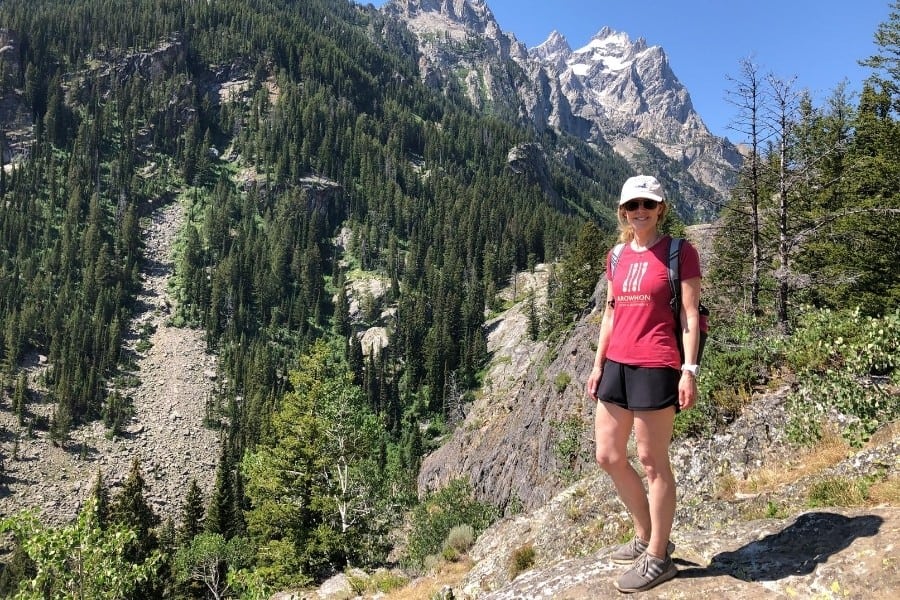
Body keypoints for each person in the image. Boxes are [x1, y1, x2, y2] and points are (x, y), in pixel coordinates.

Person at [585, 175, 702, 594]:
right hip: (617, 363)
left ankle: (657, 557)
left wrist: (689, 369)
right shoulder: (616, 256)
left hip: (657, 364)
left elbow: (689, 315)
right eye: (632, 206)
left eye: (647, 205)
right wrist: (598, 365)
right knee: (609, 455)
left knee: (654, 463)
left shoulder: (678, 252)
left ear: (660, 210)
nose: (640, 212)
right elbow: (611, 314)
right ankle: (646, 534)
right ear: (623, 212)